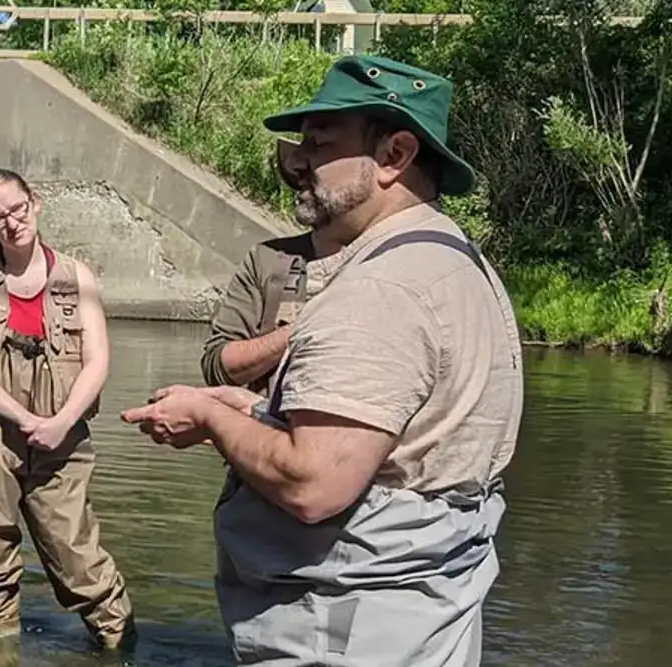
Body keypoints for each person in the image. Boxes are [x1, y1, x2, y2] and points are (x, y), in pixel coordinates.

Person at [121, 55, 523, 667]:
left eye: (320, 143)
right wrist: (252, 409)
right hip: (423, 621)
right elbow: (401, 448)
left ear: (394, 155)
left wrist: (210, 419)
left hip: (347, 634)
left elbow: (314, 483)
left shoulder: (381, 290)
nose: (298, 161)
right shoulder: (459, 263)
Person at [0, 168, 137, 650]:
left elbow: (98, 361)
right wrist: (24, 419)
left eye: (18, 209)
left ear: (35, 203)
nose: (12, 222)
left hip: (61, 434)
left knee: (78, 556)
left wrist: (61, 422)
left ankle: (120, 647)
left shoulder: (76, 276)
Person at [199, 139, 344, 392]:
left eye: (318, 153)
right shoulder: (267, 258)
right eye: (298, 162)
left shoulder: (391, 262)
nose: (298, 169)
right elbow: (217, 367)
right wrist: (303, 330)